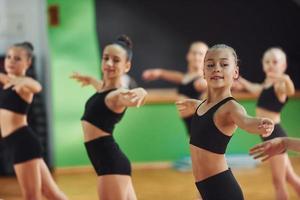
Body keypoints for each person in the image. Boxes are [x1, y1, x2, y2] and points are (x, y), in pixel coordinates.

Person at [176, 44, 274, 199]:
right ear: (203, 72)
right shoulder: (204, 105)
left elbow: (246, 121)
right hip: (203, 188)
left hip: (223, 191)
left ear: (235, 72)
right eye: (210, 65)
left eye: (224, 64)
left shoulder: (231, 107)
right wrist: (195, 104)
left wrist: (260, 123)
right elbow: (208, 112)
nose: (216, 68)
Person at [70, 35, 147, 200]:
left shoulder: (117, 95)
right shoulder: (105, 90)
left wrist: (142, 91)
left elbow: (127, 98)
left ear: (127, 66)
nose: (109, 63)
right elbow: (102, 89)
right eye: (106, 58)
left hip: (111, 165)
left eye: (116, 60)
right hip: (111, 163)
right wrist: (90, 80)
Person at [0, 42, 67, 200]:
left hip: (23, 144)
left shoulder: (24, 85)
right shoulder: (7, 81)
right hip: (18, 144)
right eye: (9, 57)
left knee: (32, 197)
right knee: (51, 193)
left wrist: (23, 81)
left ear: (28, 63)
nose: (11, 61)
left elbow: (37, 86)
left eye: (17, 58)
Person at [237, 47, 300, 199]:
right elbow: (256, 89)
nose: (270, 64)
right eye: (267, 61)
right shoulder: (266, 84)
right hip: (268, 135)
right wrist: (241, 81)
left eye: (275, 62)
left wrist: (286, 79)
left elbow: (289, 91)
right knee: (289, 177)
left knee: (278, 181)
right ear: (263, 64)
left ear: (283, 66)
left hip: (276, 135)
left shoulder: (280, 85)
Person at [142, 41, 208, 171]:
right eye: (194, 53)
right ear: (188, 55)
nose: (196, 57)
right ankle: (206, 190)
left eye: (201, 54)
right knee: (199, 165)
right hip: (190, 126)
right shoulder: (186, 78)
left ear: (206, 58)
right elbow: (177, 77)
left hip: (200, 126)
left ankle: (214, 190)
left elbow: (209, 86)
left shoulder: (203, 79)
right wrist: (159, 72)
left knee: (204, 164)